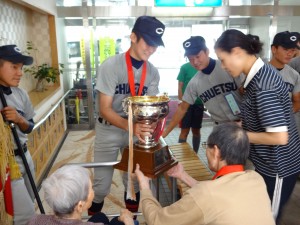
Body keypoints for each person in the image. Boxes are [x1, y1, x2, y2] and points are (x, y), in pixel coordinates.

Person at [214, 29, 300, 223]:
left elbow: (279, 137)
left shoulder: (263, 85)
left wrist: (239, 134)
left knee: (266, 219)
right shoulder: (258, 75)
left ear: (236, 52)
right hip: (268, 164)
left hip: (279, 167)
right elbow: (264, 117)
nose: (222, 66)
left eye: (222, 59)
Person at [89, 16, 166, 216]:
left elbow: (151, 107)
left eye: (156, 45)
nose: (151, 49)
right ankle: (91, 218)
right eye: (148, 43)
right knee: (101, 187)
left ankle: (130, 219)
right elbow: (105, 108)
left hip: (135, 132)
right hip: (109, 129)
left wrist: (151, 125)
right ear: (133, 37)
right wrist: (131, 126)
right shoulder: (111, 66)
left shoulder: (153, 72)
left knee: (133, 181)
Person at [135, 123, 275, 225]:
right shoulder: (255, 178)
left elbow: (157, 221)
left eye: (206, 146)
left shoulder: (206, 194)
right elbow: (218, 194)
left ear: (216, 151)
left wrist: (145, 187)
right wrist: (183, 175)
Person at [163, 36, 243, 138]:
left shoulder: (227, 67)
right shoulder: (194, 83)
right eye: (190, 59)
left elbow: (246, 93)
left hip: (243, 123)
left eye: (197, 56)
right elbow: (182, 109)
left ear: (207, 52)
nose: (195, 62)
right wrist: (164, 134)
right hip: (221, 129)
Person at [27, 165, 135, 225]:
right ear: (80, 205)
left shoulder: (35, 220)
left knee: (100, 216)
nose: (93, 191)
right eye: (91, 188)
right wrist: (128, 221)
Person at [0, 45, 36, 225]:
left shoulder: (21, 94)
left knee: (31, 201)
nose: (20, 73)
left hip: (25, 155)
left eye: (21, 67)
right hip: (5, 165)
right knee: (25, 214)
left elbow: (30, 126)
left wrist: (20, 119)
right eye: (14, 67)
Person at [269, 31, 300, 134]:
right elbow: (244, 93)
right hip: (262, 126)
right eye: (286, 49)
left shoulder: (294, 75)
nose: (290, 54)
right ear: (274, 49)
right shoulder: (258, 70)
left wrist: (283, 116)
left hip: (285, 127)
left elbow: (297, 101)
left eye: (292, 50)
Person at [177, 62, 204, 153]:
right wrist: (181, 101)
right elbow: (180, 86)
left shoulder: (203, 66)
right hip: (186, 104)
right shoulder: (184, 67)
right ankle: (181, 156)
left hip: (199, 104)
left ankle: (195, 153)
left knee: (196, 131)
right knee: (184, 131)